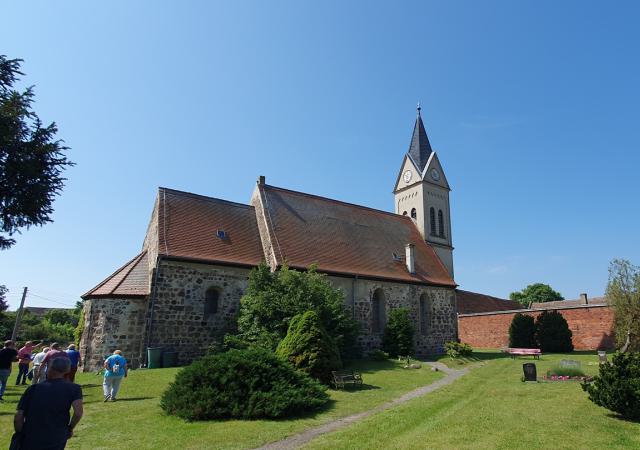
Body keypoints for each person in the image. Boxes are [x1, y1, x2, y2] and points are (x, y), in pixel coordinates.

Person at [13, 357, 83, 449]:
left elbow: (18, 416)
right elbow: (78, 413)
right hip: (57, 434)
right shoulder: (74, 389)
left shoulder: (33, 389)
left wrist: (19, 432)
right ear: (67, 370)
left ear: (49, 369)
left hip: (31, 434)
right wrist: (70, 428)